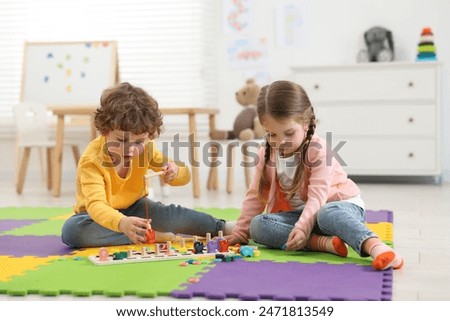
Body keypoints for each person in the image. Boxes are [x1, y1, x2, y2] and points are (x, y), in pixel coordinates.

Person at [225, 80, 403, 271]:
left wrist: (302, 228)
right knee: (258, 225)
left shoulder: (318, 150)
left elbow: (318, 198)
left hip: (337, 209)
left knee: (326, 213)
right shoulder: (265, 154)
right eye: (271, 134)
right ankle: (322, 243)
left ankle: (375, 246)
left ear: (306, 123)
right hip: (302, 217)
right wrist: (240, 232)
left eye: (289, 133)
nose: (281, 142)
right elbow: (255, 196)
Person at [62, 82, 232, 248]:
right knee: (73, 231)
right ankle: (149, 235)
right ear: (104, 131)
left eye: (139, 142)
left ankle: (221, 227)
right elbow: (96, 206)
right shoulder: (92, 161)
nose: (130, 149)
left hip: (136, 207)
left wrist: (175, 171)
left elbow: (184, 175)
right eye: (121, 140)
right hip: (95, 216)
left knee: (172, 215)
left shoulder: (147, 149)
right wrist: (122, 223)